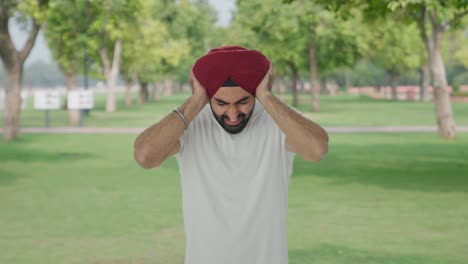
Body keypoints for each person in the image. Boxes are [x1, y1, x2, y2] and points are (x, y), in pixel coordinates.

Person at [134, 46, 329, 264]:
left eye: (243, 101)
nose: (233, 114)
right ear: (208, 96)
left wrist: (266, 96)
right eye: (221, 103)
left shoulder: (277, 122)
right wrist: (196, 100)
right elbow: (145, 156)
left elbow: (316, 150)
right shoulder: (191, 123)